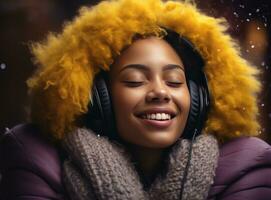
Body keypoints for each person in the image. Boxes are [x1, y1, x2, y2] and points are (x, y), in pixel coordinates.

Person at [1, 0, 271, 199]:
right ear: (95, 97)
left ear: (199, 97)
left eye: (174, 81)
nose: (160, 92)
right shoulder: (33, 155)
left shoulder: (248, 163)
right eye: (134, 81)